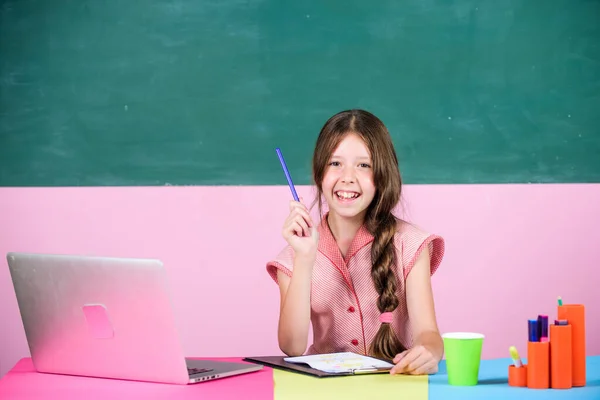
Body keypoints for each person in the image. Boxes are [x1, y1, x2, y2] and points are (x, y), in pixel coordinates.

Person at [266, 109, 445, 375]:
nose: (348, 176)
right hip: (325, 391)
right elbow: (291, 347)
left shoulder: (411, 243)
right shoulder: (293, 256)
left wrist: (428, 353)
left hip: (395, 386)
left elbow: (428, 333)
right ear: (319, 173)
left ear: (382, 175)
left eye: (364, 165)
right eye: (335, 163)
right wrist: (304, 259)